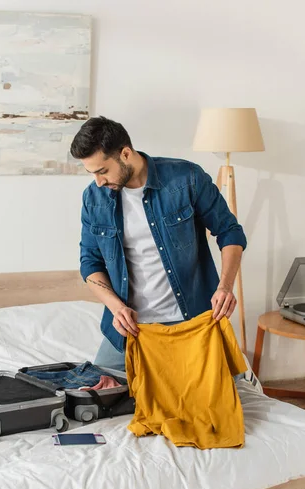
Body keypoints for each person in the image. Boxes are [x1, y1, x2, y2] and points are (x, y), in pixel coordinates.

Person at [70, 116, 247, 372]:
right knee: (98, 396)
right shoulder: (94, 197)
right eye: (92, 173)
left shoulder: (186, 178)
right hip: (130, 330)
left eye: (102, 171)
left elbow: (230, 232)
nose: (98, 181)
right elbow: (90, 262)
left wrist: (225, 287)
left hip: (191, 322)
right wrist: (116, 307)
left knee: (219, 398)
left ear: (126, 153)